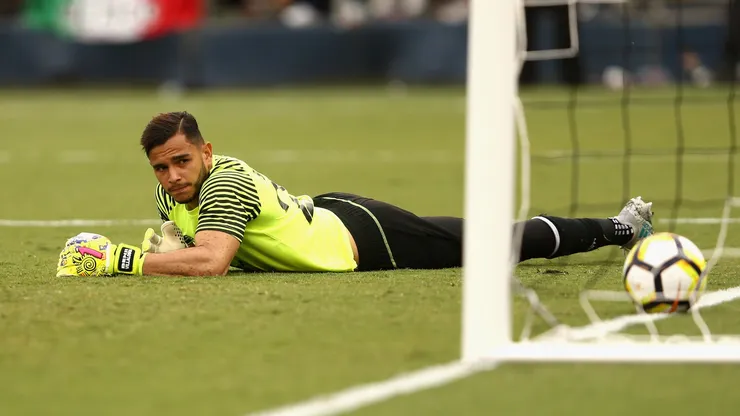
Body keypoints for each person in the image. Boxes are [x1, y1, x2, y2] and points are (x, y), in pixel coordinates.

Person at [56, 111, 654, 277]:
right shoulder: (174, 195)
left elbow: (212, 261)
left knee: (492, 241)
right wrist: (160, 244)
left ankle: (621, 228)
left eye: (182, 161)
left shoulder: (226, 181)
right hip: (328, 211)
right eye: (161, 169)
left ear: (206, 152)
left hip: (363, 238)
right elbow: (186, 236)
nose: (173, 177)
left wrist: (120, 260)